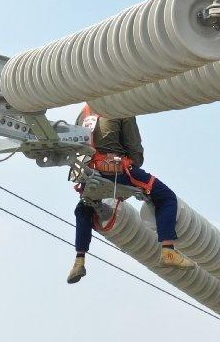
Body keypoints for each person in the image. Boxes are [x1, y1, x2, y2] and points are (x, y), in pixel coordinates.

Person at [68, 106, 193, 283]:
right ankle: (168, 250)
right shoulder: (121, 106)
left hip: (91, 174)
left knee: (84, 208)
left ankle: (79, 261)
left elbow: (78, 147)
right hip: (118, 171)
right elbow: (136, 154)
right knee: (166, 198)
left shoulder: (84, 113)